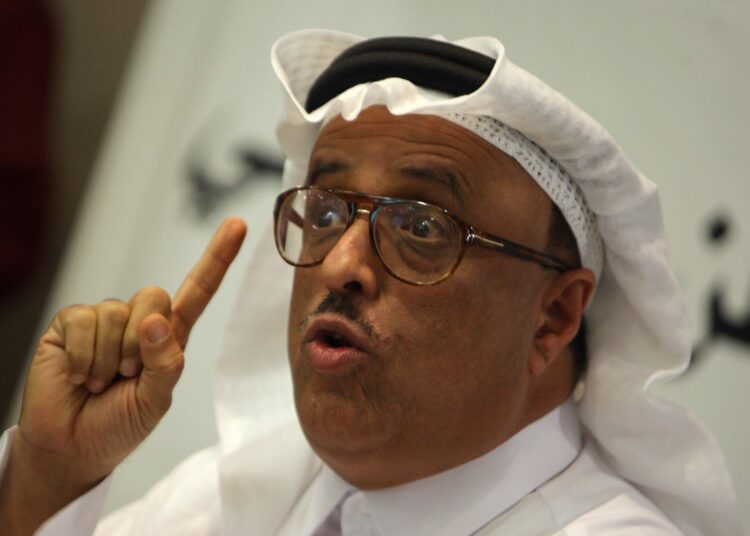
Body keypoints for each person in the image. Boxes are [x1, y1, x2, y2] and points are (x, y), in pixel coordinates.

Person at [0, 29, 744, 535]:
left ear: (553, 316)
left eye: (420, 226)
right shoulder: (237, 496)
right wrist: (52, 474)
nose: (339, 265)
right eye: (325, 213)